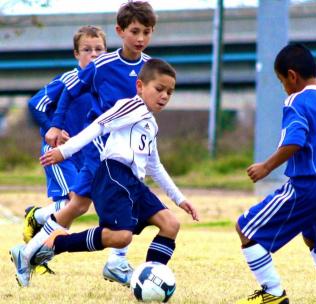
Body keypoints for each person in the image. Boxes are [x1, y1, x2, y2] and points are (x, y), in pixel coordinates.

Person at [12, 58, 199, 287]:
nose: (164, 96)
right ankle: (57, 245)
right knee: (121, 236)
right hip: (113, 176)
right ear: (139, 86)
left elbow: (154, 166)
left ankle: (151, 281)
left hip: (134, 182)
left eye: (169, 92)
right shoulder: (130, 105)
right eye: (159, 89)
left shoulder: (151, 122)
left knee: (171, 225)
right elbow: (98, 125)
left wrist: (180, 199)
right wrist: (64, 151)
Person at [18, 0, 157, 287]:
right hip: (93, 150)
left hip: (125, 152)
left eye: (147, 32)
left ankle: (32, 250)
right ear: (121, 32)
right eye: (135, 31)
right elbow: (58, 97)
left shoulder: (148, 67)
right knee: (79, 204)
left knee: (79, 206)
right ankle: (35, 248)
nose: (141, 38)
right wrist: (54, 126)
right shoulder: (99, 67)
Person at [235, 43, 316, 304]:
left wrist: (266, 167)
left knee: (245, 227)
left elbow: (295, 139)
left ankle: (272, 293)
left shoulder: (297, 100)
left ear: (292, 76)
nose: (283, 87)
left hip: (307, 186)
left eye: (282, 81)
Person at [25, 25, 107, 276]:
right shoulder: (68, 80)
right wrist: (52, 128)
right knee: (71, 203)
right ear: (76, 54)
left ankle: (37, 238)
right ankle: (36, 220)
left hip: (85, 155)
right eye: (87, 50)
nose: (93, 55)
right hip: (59, 153)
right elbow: (35, 103)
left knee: (78, 205)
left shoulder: (105, 84)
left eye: (99, 49)